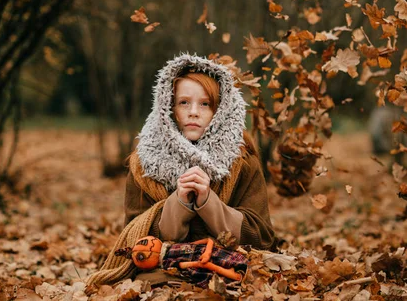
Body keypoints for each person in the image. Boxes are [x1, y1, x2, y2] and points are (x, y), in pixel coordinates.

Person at [85, 54, 276, 289]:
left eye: (205, 104)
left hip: (227, 272)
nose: (193, 112)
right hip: (161, 276)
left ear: (221, 110)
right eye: (184, 102)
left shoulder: (243, 162)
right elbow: (135, 238)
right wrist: (179, 205)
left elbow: (262, 238)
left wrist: (208, 203)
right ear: (168, 107)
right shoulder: (144, 163)